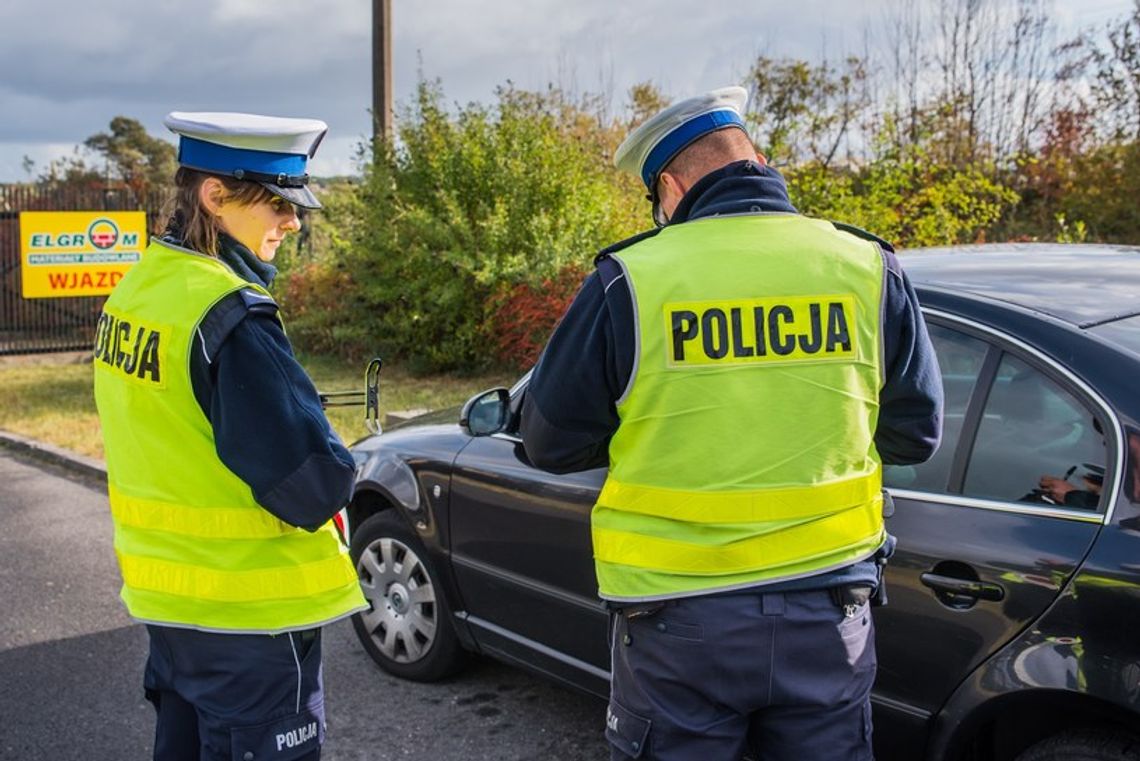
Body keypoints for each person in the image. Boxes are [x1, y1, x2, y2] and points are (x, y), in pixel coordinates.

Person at [520, 86, 943, 761]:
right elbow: (914, 434)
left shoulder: (628, 279)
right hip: (830, 610)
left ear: (669, 186)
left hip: (679, 624)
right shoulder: (867, 266)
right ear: (760, 159)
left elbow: (548, 442)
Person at [92, 112, 367, 761]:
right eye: (277, 201)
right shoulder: (230, 314)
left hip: (172, 612)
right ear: (214, 196)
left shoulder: (137, 290)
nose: (293, 222)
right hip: (251, 624)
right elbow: (312, 483)